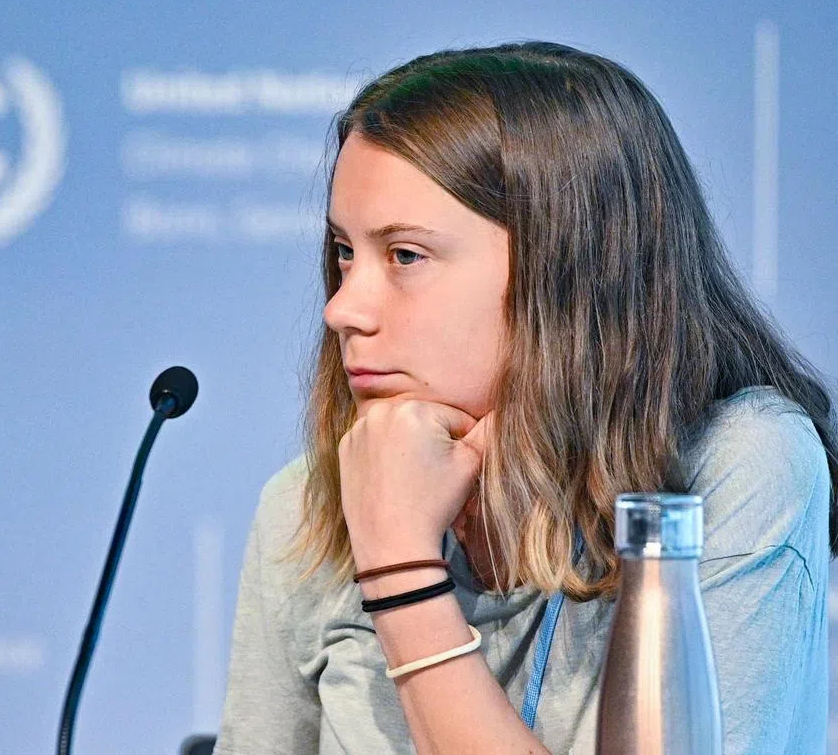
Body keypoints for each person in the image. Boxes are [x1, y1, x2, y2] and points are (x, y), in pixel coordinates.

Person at [213, 41, 836, 755]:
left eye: (405, 255)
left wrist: (401, 573)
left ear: (569, 270)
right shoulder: (307, 504)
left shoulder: (739, 467)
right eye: (345, 253)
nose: (342, 308)